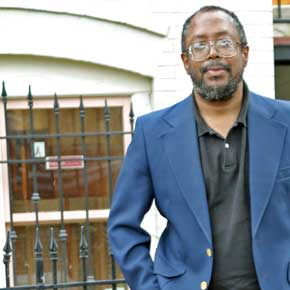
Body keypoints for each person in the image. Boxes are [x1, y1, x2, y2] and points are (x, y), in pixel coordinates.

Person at [108, 5, 290, 290]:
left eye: (224, 42)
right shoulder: (152, 133)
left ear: (245, 53)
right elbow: (122, 227)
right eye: (199, 45)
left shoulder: (286, 122)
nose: (212, 53)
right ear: (185, 61)